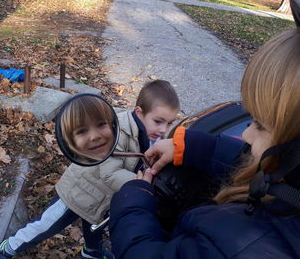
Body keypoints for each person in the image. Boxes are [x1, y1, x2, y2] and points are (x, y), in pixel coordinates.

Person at [109, 29, 300, 259]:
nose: (246, 135)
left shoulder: (232, 246)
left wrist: (133, 204)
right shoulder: (286, 187)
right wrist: (187, 146)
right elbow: (248, 159)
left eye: (260, 125)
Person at [0, 79, 180, 259]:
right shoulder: (116, 131)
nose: (164, 129)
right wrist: (138, 184)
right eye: (158, 121)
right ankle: (11, 245)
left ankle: (92, 251)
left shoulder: (153, 136)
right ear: (139, 113)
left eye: (169, 123)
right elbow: (109, 173)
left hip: (101, 199)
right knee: (48, 224)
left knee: (94, 227)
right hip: (78, 192)